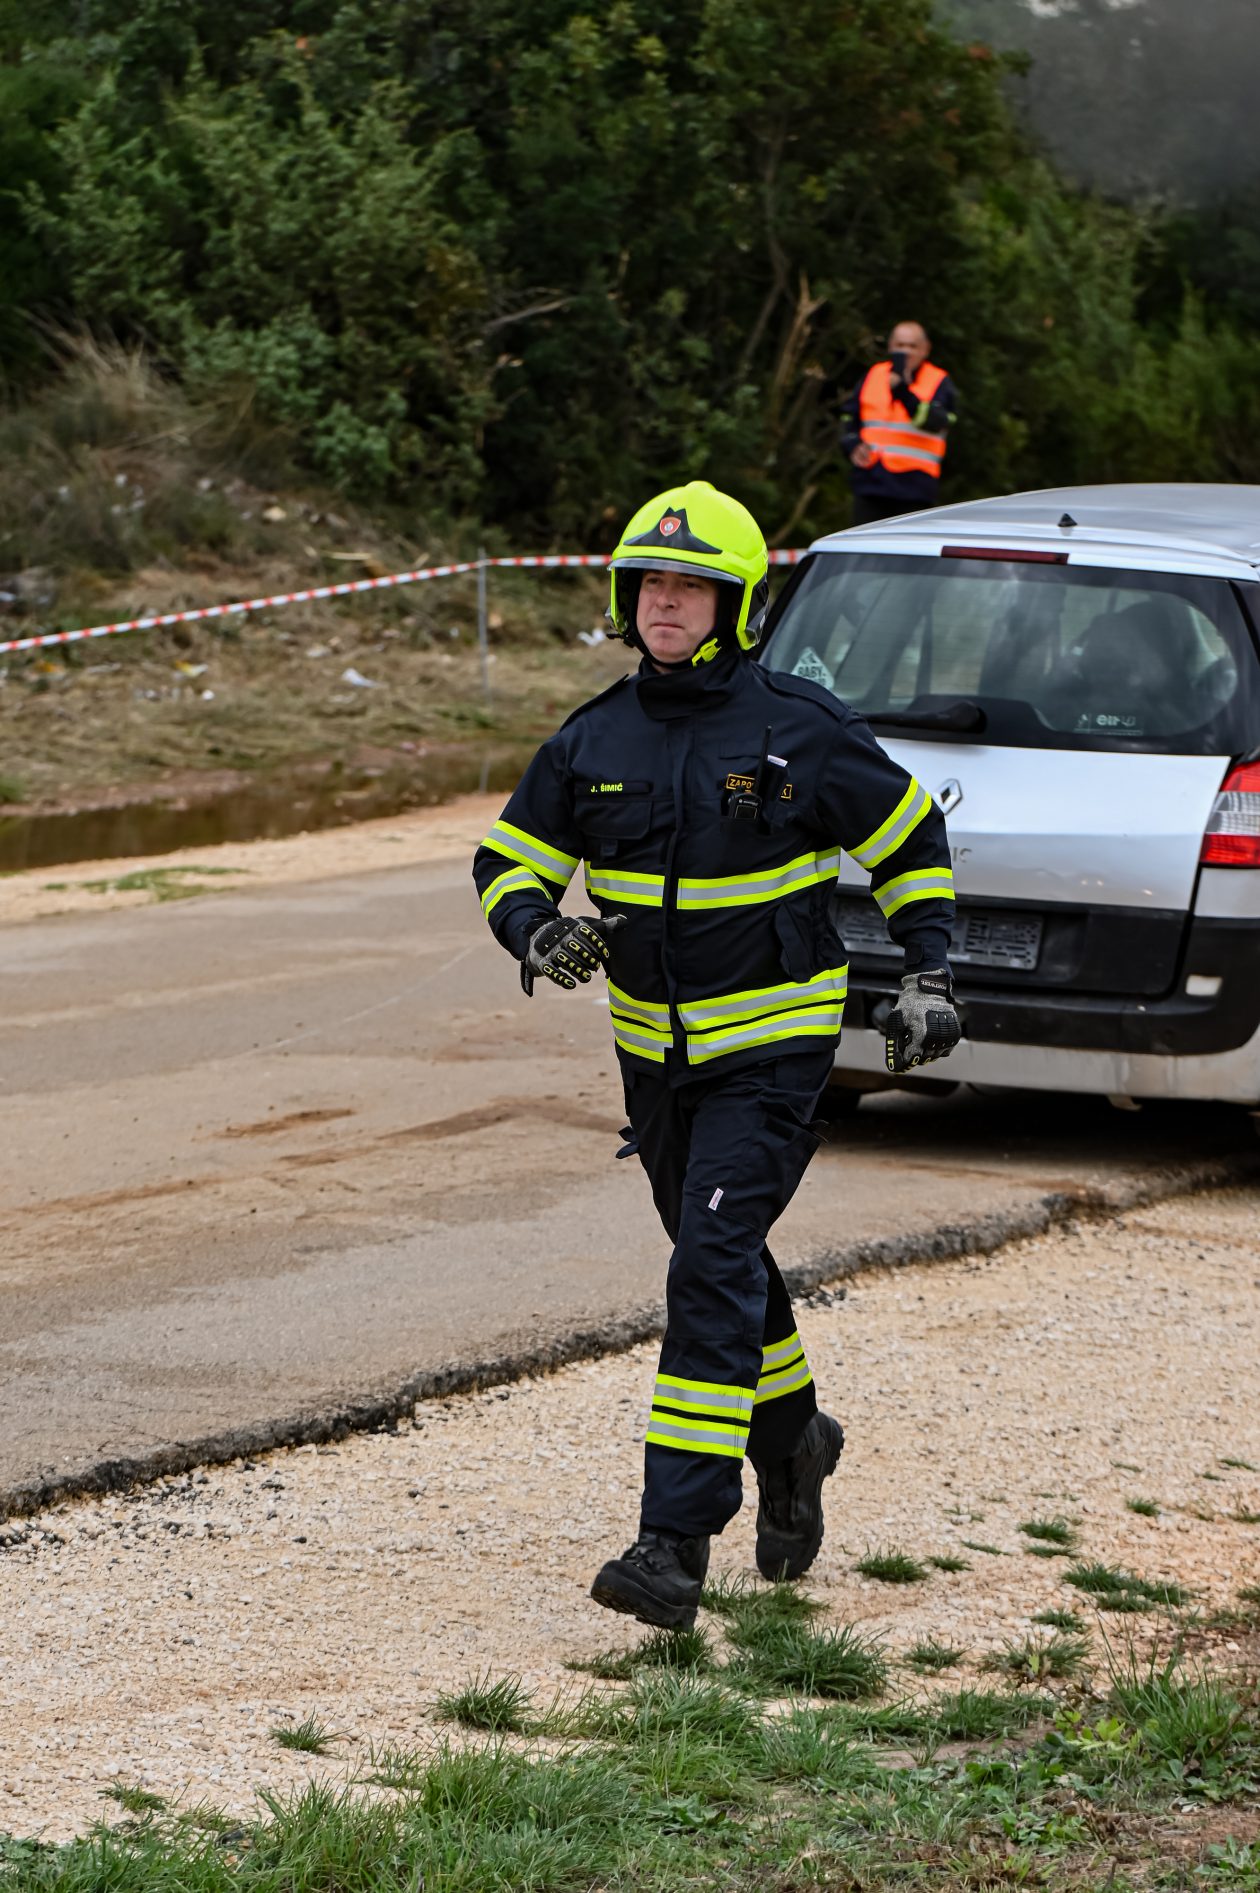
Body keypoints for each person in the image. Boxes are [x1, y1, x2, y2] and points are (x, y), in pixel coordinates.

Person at [472, 481, 960, 1628]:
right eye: (649, 582)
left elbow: (908, 840)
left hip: (778, 1055)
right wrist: (535, 924)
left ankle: (672, 1543)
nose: (666, 602)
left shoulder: (803, 727)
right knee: (722, 1260)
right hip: (657, 1062)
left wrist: (929, 973)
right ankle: (795, 1439)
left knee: (705, 1269)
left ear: (737, 602)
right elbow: (507, 859)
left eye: (691, 584)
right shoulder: (591, 735)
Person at [840, 321, 958, 525]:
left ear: (925, 350)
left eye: (912, 346)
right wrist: (852, 444)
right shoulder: (873, 375)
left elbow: (937, 422)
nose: (906, 352)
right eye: (900, 346)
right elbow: (849, 417)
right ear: (890, 347)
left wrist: (902, 390)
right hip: (871, 482)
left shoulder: (939, 381)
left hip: (914, 487)